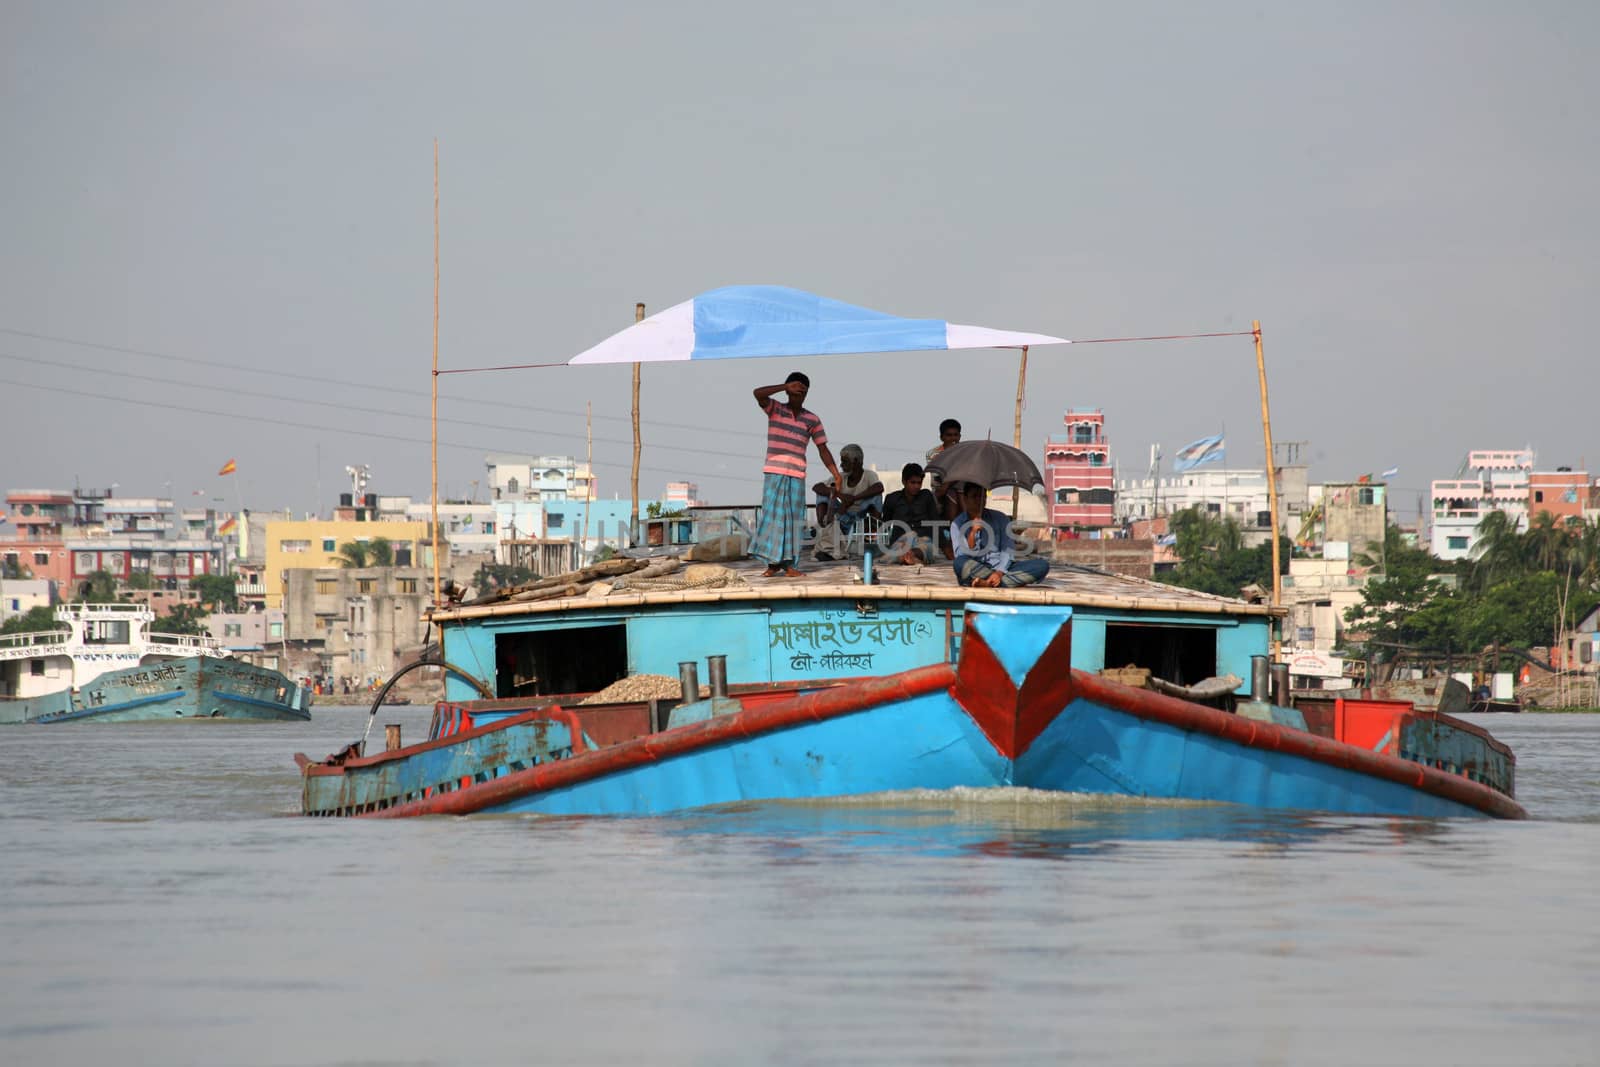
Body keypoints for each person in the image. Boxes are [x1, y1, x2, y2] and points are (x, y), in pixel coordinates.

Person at [750, 372, 842, 577]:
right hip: (774, 471)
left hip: (797, 474)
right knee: (773, 517)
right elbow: (757, 393)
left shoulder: (812, 419)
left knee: (793, 519)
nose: (799, 391)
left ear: (807, 393)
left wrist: (836, 473)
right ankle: (772, 564)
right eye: (795, 387)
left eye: (803, 389)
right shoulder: (775, 408)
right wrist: (784, 387)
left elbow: (822, 448)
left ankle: (791, 565)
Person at [951, 482, 1050, 588]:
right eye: (974, 496)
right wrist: (973, 532)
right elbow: (961, 555)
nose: (979, 500)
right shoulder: (957, 524)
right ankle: (1000, 583)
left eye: (982, 496)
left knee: (1042, 565)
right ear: (965, 499)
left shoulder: (1000, 518)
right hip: (976, 568)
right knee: (959, 563)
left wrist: (999, 572)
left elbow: (1008, 550)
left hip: (1000, 568)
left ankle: (988, 583)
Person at [812, 444, 883, 561]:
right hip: (843, 516)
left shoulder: (869, 475)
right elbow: (817, 487)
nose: (841, 465)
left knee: (876, 497)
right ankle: (823, 524)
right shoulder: (841, 477)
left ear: (855, 461)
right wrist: (841, 496)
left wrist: (854, 499)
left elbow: (879, 487)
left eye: (844, 461)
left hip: (861, 518)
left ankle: (872, 532)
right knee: (823, 495)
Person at [878, 462, 942, 564]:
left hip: (923, 540)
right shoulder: (892, 499)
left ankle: (910, 555)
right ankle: (908, 557)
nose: (916, 486)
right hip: (901, 541)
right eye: (913, 482)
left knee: (926, 548)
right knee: (899, 547)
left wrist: (946, 547)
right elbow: (885, 524)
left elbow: (936, 521)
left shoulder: (926, 496)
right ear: (904, 481)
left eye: (919, 483)